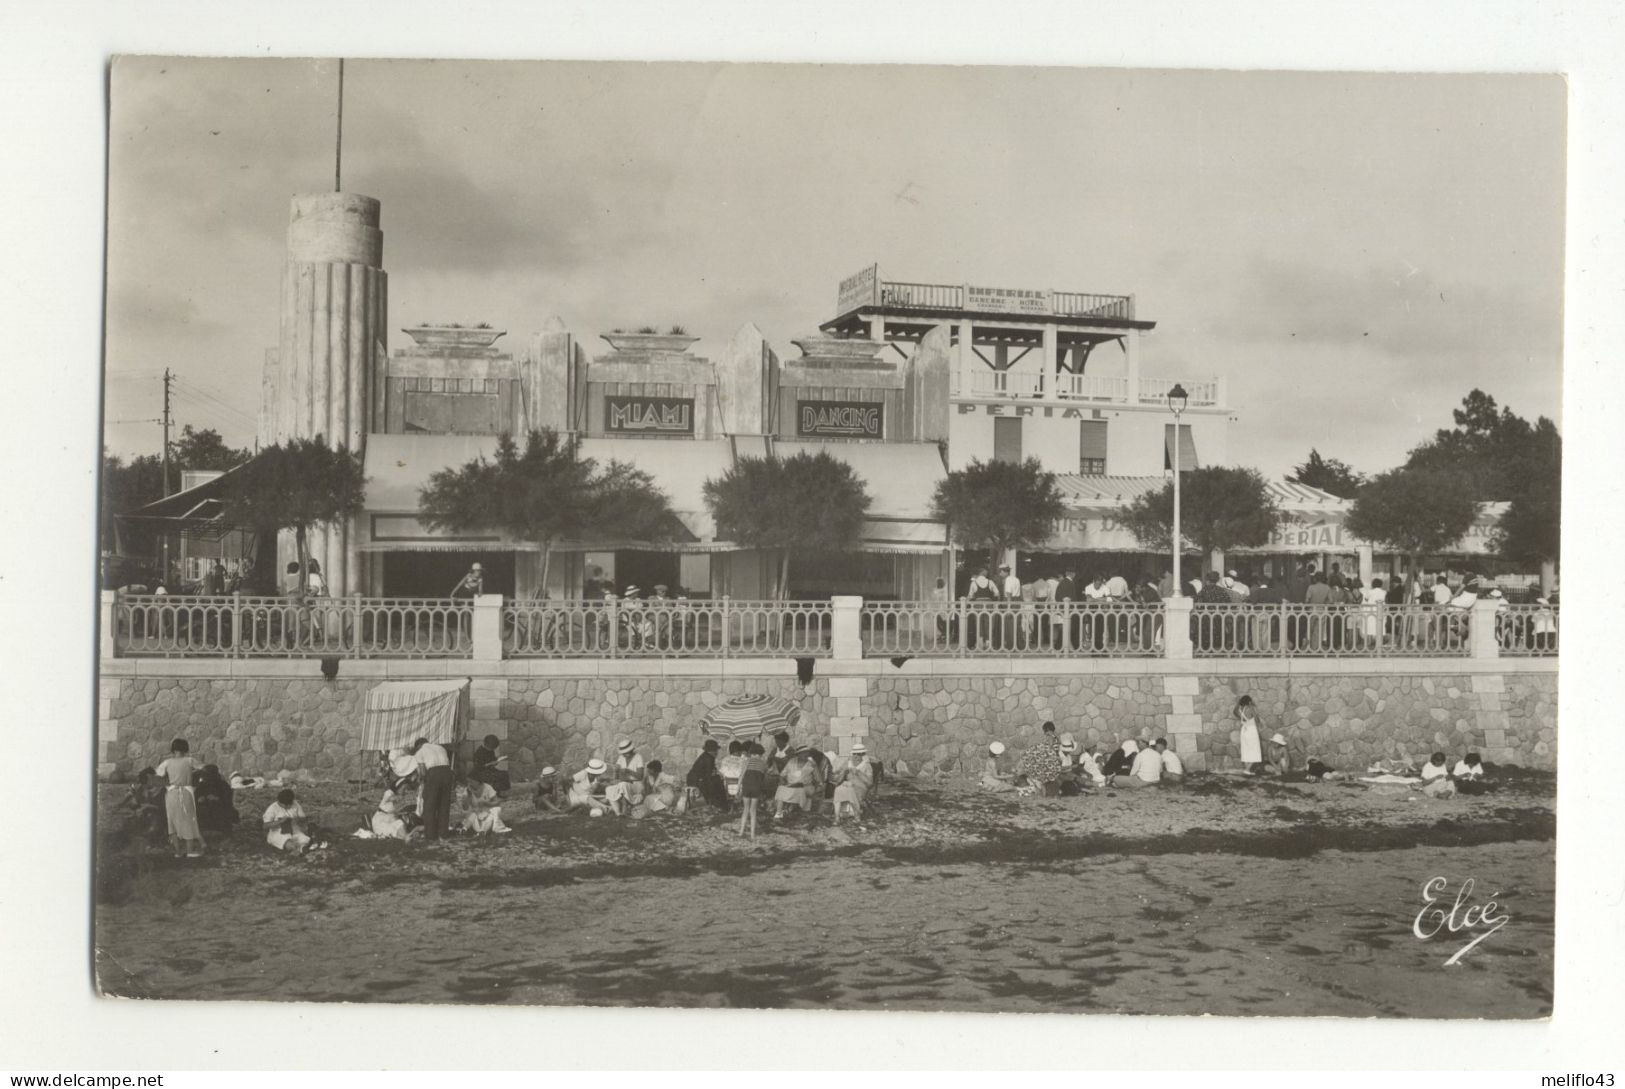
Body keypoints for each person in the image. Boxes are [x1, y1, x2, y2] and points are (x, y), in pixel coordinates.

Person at [155, 738, 206, 858]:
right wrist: (194, 776)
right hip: (186, 792)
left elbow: (158, 774)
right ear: (185, 748)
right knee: (188, 820)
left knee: (171, 822)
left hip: (171, 793)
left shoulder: (167, 762)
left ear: (173, 749)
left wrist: (169, 780)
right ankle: (189, 851)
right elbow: (204, 768)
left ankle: (177, 852)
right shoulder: (189, 760)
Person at [411, 735, 454, 841]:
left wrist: (421, 781)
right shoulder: (440, 747)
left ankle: (430, 836)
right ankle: (443, 834)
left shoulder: (420, 752)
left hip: (434, 774)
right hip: (448, 773)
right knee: (444, 805)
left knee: (429, 806)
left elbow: (423, 772)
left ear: (419, 746)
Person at [119, 767, 168, 848]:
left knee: (153, 828)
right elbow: (136, 803)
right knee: (128, 823)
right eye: (144, 783)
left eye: (146, 782)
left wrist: (147, 806)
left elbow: (163, 809)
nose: (144, 785)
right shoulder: (143, 788)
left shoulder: (162, 790)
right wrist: (131, 803)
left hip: (159, 816)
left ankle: (157, 839)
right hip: (145, 815)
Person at [830, 742, 874, 823]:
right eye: (854, 754)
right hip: (849, 785)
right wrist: (843, 773)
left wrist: (858, 773)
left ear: (863, 755)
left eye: (859, 754)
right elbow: (837, 780)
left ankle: (857, 816)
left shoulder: (867, 766)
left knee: (850, 790)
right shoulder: (847, 763)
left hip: (861, 788)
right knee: (838, 789)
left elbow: (870, 783)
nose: (856, 756)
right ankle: (837, 817)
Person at [1018, 721, 1065, 796]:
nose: (1045, 734)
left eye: (1045, 732)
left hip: (1049, 759)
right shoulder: (1056, 738)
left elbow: (1048, 750)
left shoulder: (1050, 737)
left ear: (1045, 730)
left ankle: (1038, 786)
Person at [263, 788, 314, 854]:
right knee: (290, 845)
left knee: (306, 840)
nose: (289, 806)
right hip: (278, 833)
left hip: (294, 830)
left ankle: (300, 849)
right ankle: (299, 850)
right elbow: (265, 826)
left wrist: (296, 819)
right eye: (284, 805)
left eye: (290, 804)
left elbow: (303, 818)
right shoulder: (272, 808)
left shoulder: (295, 804)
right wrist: (280, 821)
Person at [192, 763, 239, 834]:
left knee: (220, 811)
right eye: (204, 775)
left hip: (220, 808)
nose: (204, 777)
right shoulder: (202, 785)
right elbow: (195, 797)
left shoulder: (223, 785)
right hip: (204, 808)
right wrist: (199, 799)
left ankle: (222, 829)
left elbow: (228, 801)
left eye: (206, 775)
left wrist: (216, 799)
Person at [774, 745, 817, 818]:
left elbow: (818, 779)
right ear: (798, 754)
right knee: (780, 788)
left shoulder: (811, 764)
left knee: (798, 790)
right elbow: (782, 775)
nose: (806, 755)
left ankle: (789, 810)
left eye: (807, 753)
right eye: (803, 753)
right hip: (791, 786)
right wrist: (783, 782)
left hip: (806, 786)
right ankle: (779, 813)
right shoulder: (791, 761)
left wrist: (815, 768)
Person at [686, 739, 730, 811]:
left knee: (717, 780)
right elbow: (708, 775)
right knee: (717, 784)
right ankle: (721, 805)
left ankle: (719, 804)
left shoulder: (707, 756)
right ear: (712, 750)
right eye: (716, 750)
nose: (717, 752)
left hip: (695, 778)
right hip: (696, 780)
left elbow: (711, 770)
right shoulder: (708, 758)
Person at [606, 739, 646, 815]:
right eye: (623, 753)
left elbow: (640, 776)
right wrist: (616, 771)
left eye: (625, 753)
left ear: (630, 751)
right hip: (623, 784)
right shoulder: (621, 758)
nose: (623, 755)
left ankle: (624, 808)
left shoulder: (638, 757)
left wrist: (628, 771)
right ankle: (618, 813)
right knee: (609, 789)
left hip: (636, 785)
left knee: (623, 784)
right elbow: (617, 775)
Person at [738, 741, 767, 839]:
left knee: (745, 809)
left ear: (751, 753)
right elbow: (763, 778)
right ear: (761, 754)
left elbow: (741, 776)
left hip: (746, 786)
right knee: (753, 811)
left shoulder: (746, 761)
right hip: (756, 788)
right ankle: (752, 834)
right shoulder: (763, 764)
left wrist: (738, 788)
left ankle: (741, 832)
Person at [1234, 696, 1264, 774]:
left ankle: (1247, 770)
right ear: (1249, 702)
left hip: (1244, 730)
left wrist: (1238, 704)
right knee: (1255, 749)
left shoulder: (1241, 710)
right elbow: (1256, 719)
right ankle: (1247, 769)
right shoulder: (1251, 709)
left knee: (1246, 750)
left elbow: (1234, 711)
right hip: (1251, 731)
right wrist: (1259, 723)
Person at [929, 576, 953, 646]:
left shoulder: (946, 590)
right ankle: (943, 634)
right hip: (937, 608)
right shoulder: (935, 590)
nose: (939, 583)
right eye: (938, 582)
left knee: (944, 623)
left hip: (944, 608)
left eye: (940, 582)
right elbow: (933, 599)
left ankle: (944, 635)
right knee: (939, 622)